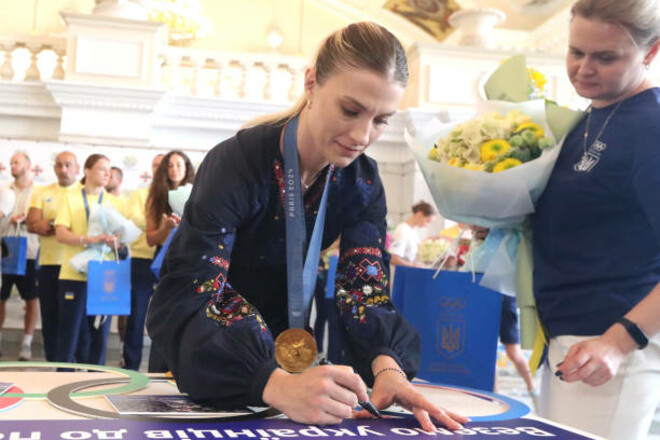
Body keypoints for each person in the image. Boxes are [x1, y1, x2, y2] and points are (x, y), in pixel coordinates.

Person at [147, 22, 467, 431]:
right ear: (312, 83)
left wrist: (389, 369)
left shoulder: (363, 182)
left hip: (293, 371)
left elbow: (363, 290)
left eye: (381, 120)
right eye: (350, 111)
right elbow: (197, 287)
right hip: (206, 357)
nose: (362, 135)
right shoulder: (239, 162)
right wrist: (271, 380)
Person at [532, 1, 660, 438]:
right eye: (576, 52)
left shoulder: (652, 127)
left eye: (606, 57)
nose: (584, 68)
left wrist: (620, 341)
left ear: (651, 52)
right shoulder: (589, 118)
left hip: (612, 347)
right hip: (566, 339)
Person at [54, 154, 125, 365]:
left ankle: (95, 381)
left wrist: (116, 241)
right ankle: (62, 380)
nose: (107, 173)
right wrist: (90, 239)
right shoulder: (70, 198)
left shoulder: (115, 202)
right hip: (73, 273)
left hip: (106, 273)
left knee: (100, 335)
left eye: (109, 169)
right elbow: (61, 234)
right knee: (69, 333)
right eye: (102, 168)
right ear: (87, 171)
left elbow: (122, 239)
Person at [26, 151, 80, 362]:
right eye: (59, 165)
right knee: (50, 317)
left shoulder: (84, 193)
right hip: (48, 264)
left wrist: (52, 224)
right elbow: (32, 224)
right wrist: (57, 225)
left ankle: (73, 364)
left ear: (77, 168)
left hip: (76, 267)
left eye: (68, 165)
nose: (63, 169)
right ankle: (54, 363)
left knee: (74, 320)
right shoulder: (41, 191)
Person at [120, 153, 163, 370]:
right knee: (136, 317)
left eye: (162, 165)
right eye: (155, 165)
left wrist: (150, 221)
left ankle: (161, 367)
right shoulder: (140, 194)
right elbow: (133, 220)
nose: (159, 169)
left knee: (165, 317)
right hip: (141, 260)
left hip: (166, 262)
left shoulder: (175, 194)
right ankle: (131, 366)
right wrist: (156, 223)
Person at [0, 152, 39, 361]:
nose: (13, 166)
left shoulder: (38, 192)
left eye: (17, 162)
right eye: (11, 162)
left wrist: (26, 221)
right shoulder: (4, 191)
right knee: (1, 296)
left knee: (31, 298)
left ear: (28, 165)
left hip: (29, 251)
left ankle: (27, 343)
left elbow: (42, 220)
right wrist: (8, 220)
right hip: (4, 249)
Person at [145, 151, 194, 248]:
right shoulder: (156, 197)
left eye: (178, 165)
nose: (174, 169)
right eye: (169, 166)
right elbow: (150, 241)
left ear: (186, 168)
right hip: (166, 253)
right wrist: (166, 228)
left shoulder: (197, 192)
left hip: (192, 251)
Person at [389, 201, 436, 268]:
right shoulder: (402, 229)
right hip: (403, 274)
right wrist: (414, 265)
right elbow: (393, 259)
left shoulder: (414, 231)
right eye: (427, 221)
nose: (426, 225)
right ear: (420, 214)